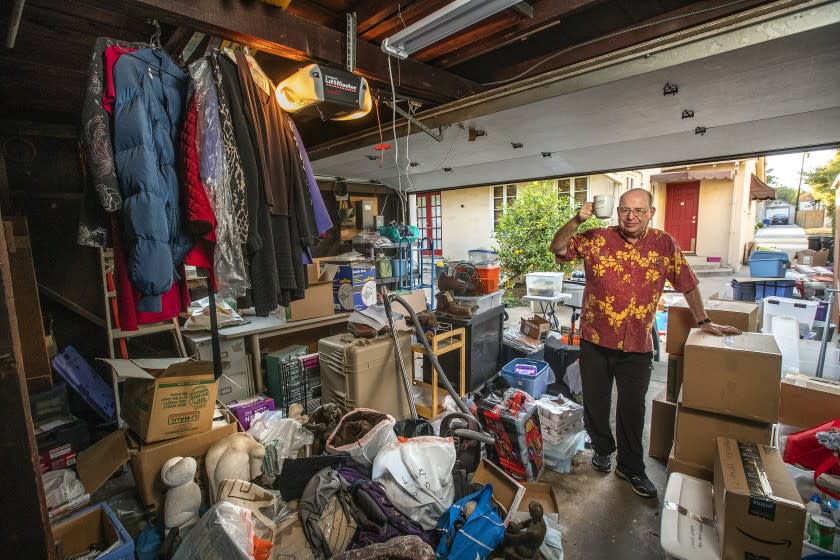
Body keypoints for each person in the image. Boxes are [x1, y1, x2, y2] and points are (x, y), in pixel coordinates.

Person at [550, 188, 741, 499]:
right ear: (617, 211)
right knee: (595, 403)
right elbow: (557, 246)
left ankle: (630, 466)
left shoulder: (664, 244)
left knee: (632, 409)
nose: (631, 216)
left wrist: (704, 321)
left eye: (639, 210)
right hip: (595, 340)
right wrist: (576, 220)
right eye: (625, 209)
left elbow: (688, 283)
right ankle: (601, 449)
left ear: (651, 212)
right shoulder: (597, 237)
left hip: (637, 345)